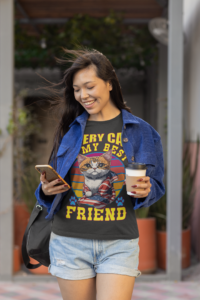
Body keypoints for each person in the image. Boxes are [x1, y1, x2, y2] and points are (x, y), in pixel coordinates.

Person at [35, 48, 165, 300]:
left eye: (89, 86)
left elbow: (157, 185)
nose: (83, 95)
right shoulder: (69, 130)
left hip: (118, 243)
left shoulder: (142, 132)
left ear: (109, 83)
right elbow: (51, 184)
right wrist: (45, 189)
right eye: (76, 89)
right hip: (69, 241)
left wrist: (146, 191)